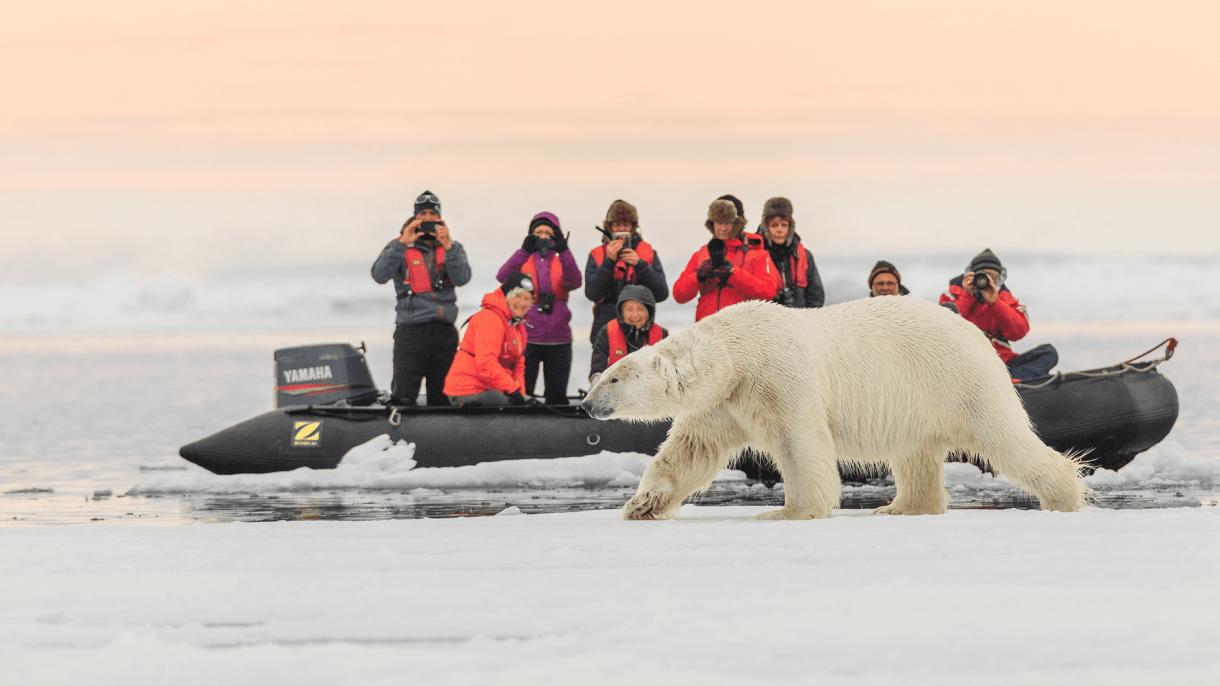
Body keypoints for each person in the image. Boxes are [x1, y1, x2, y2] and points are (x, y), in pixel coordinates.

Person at [370, 190, 472, 406]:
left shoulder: (452, 247)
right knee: (404, 395)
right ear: (415, 217)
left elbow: (462, 278)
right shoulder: (398, 246)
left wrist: (448, 246)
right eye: (423, 214)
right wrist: (401, 243)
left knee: (442, 397)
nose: (427, 219)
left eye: (432, 215)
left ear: (440, 218)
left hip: (443, 332)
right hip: (411, 331)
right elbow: (379, 275)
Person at [495, 212, 582, 405]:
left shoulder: (562, 260)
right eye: (538, 232)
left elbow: (575, 281)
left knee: (557, 396)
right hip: (528, 339)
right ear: (530, 235)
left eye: (548, 233)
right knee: (523, 393)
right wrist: (523, 251)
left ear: (556, 237)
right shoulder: (523, 260)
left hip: (559, 340)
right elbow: (502, 277)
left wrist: (565, 250)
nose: (543, 236)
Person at [939, 248, 1058, 381]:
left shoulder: (1004, 298)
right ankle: (1012, 385)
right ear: (971, 276)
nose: (988, 281)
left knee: (1048, 353)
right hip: (967, 363)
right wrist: (967, 296)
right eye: (984, 275)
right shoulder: (951, 295)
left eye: (994, 278)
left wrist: (995, 303)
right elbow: (945, 329)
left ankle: (1011, 384)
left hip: (1002, 364)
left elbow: (1019, 332)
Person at [673, 198, 780, 321]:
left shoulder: (758, 254)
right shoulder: (701, 254)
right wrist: (698, 277)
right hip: (707, 331)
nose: (723, 228)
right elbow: (679, 295)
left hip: (742, 331)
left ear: (737, 223)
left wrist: (733, 273)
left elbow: (768, 292)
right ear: (712, 223)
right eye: (719, 222)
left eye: (727, 222)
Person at [584, 199, 669, 347]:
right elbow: (592, 293)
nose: (621, 230)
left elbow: (662, 293)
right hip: (605, 332)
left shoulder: (648, 253)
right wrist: (609, 262)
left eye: (626, 225)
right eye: (617, 225)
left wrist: (640, 265)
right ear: (609, 227)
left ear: (633, 227)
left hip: (641, 332)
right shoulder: (597, 255)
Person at [443, 272, 534, 407]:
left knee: (527, 405)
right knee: (515, 405)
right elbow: (486, 362)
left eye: (527, 298)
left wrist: (519, 392)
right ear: (507, 296)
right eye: (518, 296)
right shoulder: (489, 319)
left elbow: (518, 364)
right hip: (468, 389)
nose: (522, 303)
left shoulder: (517, 325)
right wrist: (511, 389)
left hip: (493, 388)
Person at [588, 285, 668, 387]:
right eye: (629, 309)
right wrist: (596, 384)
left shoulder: (663, 335)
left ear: (649, 312)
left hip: (650, 395)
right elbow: (597, 369)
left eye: (640, 309)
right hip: (614, 394)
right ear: (621, 312)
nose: (635, 315)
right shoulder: (606, 332)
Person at [757, 196, 824, 308]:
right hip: (767, 321)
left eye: (784, 225)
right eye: (774, 225)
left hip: (800, 321)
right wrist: (773, 300)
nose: (779, 229)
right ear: (766, 227)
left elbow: (816, 295)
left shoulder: (805, 256)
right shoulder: (754, 255)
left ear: (790, 227)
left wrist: (809, 320)